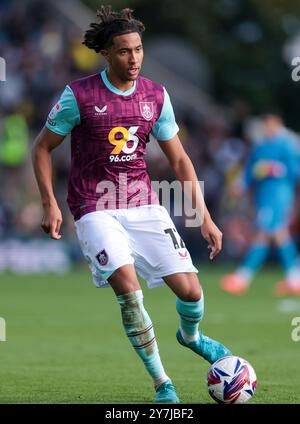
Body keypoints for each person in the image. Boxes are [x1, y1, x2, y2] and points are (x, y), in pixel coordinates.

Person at [32, 6, 231, 404]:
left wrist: (204, 217)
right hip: (93, 206)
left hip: (142, 203)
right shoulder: (80, 95)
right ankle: (163, 383)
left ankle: (191, 337)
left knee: (190, 292)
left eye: (138, 49)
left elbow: (179, 160)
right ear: (107, 53)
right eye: (124, 51)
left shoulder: (156, 96)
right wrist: (49, 203)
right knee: (129, 289)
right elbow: (41, 148)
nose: (134, 58)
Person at [221, 113, 300, 296]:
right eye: (266, 126)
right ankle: (294, 278)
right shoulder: (260, 146)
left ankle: (242, 278)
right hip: (264, 195)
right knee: (279, 234)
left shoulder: (286, 145)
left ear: (279, 126)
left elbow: (295, 171)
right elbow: (250, 171)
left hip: (279, 194)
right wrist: (240, 184)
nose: (269, 129)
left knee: (265, 234)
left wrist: (274, 169)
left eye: (272, 125)